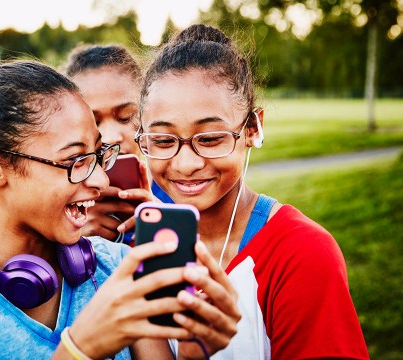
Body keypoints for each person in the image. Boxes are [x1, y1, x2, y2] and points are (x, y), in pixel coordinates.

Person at [0, 60, 241, 359]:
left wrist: (192, 355)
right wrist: (80, 349)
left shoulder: (116, 269)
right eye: (75, 160)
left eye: (97, 155)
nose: (99, 179)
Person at [136, 24, 370, 359]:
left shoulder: (302, 253)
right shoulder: (134, 245)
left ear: (252, 128)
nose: (185, 163)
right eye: (162, 140)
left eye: (210, 138)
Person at [64, 45, 172, 245]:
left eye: (125, 117)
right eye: (93, 122)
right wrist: (75, 240)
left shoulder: (178, 191)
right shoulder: (61, 206)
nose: (111, 137)